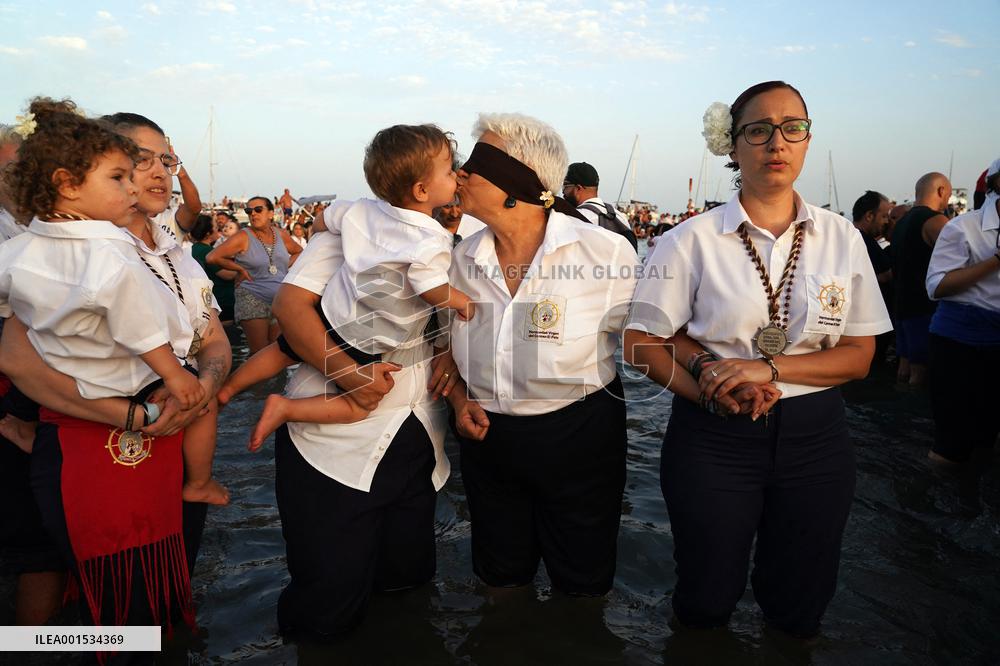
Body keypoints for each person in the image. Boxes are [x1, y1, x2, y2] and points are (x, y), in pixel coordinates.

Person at [624, 81, 891, 638]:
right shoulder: (689, 240)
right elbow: (642, 341)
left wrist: (768, 369)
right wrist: (711, 382)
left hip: (817, 439)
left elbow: (860, 356)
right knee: (705, 594)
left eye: (793, 127)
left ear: (808, 140)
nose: (778, 142)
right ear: (734, 146)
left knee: (802, 599)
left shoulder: (841, 238)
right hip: (712, 435)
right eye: (759, 129)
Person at [0, 98, 230, 647]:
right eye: (134, 162)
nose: (154, 174)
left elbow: (214, 341)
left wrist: (204, 389)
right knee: (115, 604)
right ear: (77, 180)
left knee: (167, 589)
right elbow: (15, 359)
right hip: (109, 444)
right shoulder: (74, 253)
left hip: (177, 431)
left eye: (165, 160)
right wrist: (136, 413)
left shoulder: (179, 252)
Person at [257, 122, 467, 641]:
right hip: (335, 444)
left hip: (418, 430)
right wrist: (349, 375)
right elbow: (289, 306)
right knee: (328, 596)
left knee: (408, 582)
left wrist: (453, 371)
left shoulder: (450, 241)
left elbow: (442, 325)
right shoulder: (350, 232)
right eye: (451, 167)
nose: (460, 176)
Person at [442, 112, 639, 597]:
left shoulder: (606, 256)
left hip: (579, 437)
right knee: (499, 580)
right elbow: (441, 348)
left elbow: (648, 343)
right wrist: (457, 400)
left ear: (517, 183)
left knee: (582, 586)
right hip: (486, 436)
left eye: (476, 162)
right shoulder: (457, 259)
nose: (461, 173)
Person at [925, 157, 1000, 463]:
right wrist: (996, 260)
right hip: (959, 343)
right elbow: (936, 287)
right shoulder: (963, 227)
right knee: (952, 443)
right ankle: (935, 506)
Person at [207, 196, 302, 354]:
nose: (253, 214)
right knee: (259, 351)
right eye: (249, 211)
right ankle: (257, 380)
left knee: (278, 349)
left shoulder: (281, 234)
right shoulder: (243, 236)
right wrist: (240, 269)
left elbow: (300, 252)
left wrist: (283, 266)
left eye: (258, 210)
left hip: (278, 299)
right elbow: (212, 257)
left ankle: (279, 380)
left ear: (271, 213)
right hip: (252, 296)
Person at [891, 172, 952, 385]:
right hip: (924, 308)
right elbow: (958, 261)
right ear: (941, 191)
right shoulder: (936, 221)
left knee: (904, 368)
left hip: (901, 307)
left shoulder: (900, 223)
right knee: (921, 373)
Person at [852, 190, 894, 365]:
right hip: (868, 324)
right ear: (869, 216)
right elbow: (883, 275)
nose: (887, 222)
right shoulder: (862, 241)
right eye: (884, 216)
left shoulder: (857, 239)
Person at [562, 161, 638, 250]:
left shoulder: (575, 218)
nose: (563, 192)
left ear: (578, 188)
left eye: (565, 186)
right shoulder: (620, 217)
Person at [190, 214, 237, 325]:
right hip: (221, 300)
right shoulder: (208, 252)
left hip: (205, 300)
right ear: (208, 233)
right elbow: (226, 275)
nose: (218, 230)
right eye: (215, 228)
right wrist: (243, 268)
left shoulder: (192, 249)